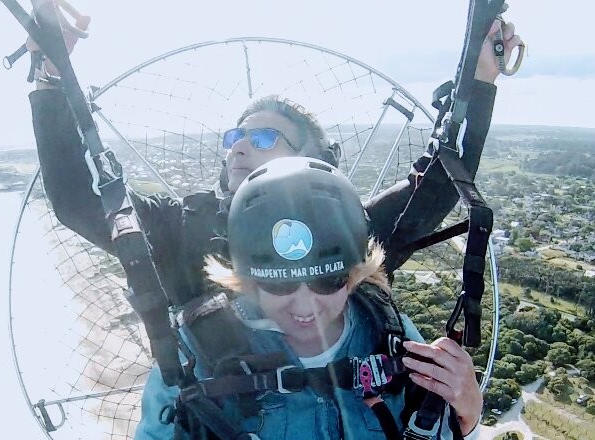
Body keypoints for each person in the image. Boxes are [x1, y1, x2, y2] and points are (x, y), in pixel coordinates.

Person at [28, 20, 521, 307]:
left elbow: (437, 187)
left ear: (309, 158)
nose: (239, 146)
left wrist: (480, 79)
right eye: (234, 137)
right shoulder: (180, 228)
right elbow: (78, 200)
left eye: (263, 136)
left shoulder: (351, 231)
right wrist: (50, 78)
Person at [113, 157, 483, 440]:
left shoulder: (385, 327)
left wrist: (467, 414)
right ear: (245, 278)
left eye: (329, 281)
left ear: (357, 271)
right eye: (279, 285)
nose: (305, 307)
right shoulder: (198, 348)